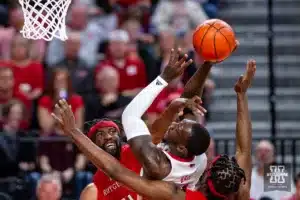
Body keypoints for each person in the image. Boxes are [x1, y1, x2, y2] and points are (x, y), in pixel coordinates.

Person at [52, 59, 255, 200]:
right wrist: (238, 92)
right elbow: (245, 150)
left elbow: (115, 170)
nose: (176, 123)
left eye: (178, 127)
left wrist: (73, 131)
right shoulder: (236, 189)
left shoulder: (160, 168)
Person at [121, 48, 210, 189]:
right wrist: (208, 63)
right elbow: (190, 101)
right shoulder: (199, 158)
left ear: (181, 148)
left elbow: (130, 115)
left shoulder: (157, 164)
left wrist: (163, 79)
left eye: (178, 128)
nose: (175, 123)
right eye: (180, 122)